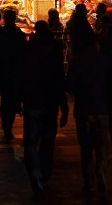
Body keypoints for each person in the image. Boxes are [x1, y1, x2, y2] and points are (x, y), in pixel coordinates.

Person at [67, 24, 112, 194]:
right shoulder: (105, 61)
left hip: (83, 108)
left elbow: (70, 86)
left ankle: (88, 180)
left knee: (86, 147)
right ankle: (101, 170)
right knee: (102, 145)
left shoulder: (76, 62)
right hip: (102, 107)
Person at [21, 20, 68, 193]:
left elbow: (23, 73)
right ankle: (45, 174)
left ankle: (35, 170)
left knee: (30, 141)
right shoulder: (54, 48)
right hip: (50, 100)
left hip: (32, 99)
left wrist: (20, 97)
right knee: (48, 141)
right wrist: (63, 105)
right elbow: (59, 76)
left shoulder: (29, 48)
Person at [0, 7, 27, 140]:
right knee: (13, 97)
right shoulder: (19, 34)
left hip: (3, 71)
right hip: (15, 71)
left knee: (5, 99)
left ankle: (6, 126)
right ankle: (10, 122)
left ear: (4, 19)